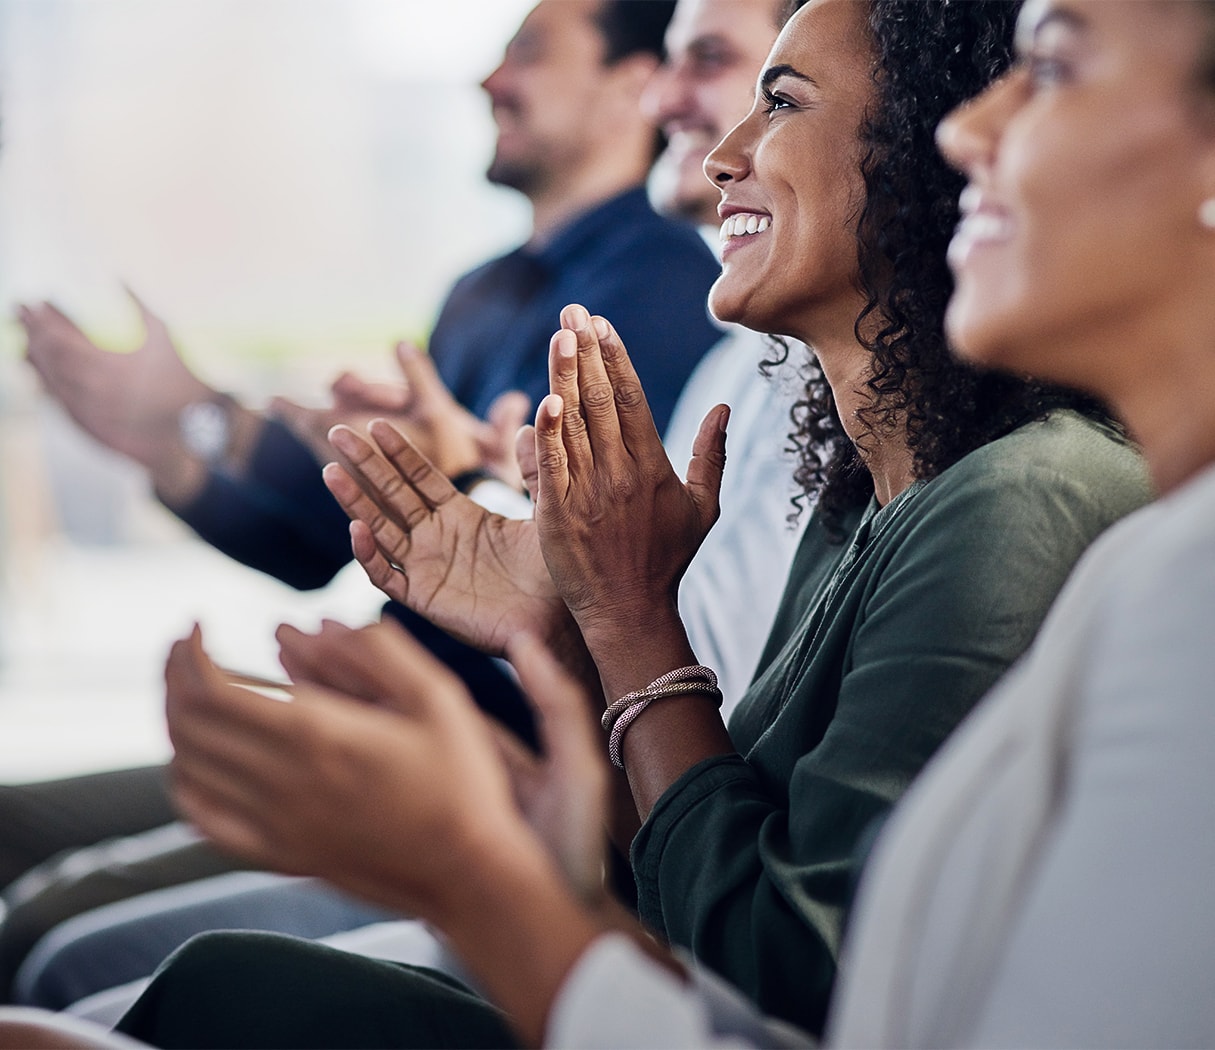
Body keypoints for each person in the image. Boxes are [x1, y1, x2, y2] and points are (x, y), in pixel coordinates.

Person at [100, 0, 1152, 1046]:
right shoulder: (868, 494)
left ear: (929, 147)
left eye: (777, 103)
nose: (726, 153)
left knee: (214, 986)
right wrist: (564, 631)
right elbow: (685, 886)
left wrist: (624, 620)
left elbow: (787, 977)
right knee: (215, 981)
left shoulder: (1018, 496)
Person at [3, 0, 807, 1017]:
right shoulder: (492, 291)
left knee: (63, 943)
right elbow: (316, 526)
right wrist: (179, 434)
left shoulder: (667, 300)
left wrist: (471, 484)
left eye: (529, 51)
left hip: (502, 773)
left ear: (626, 82)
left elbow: (606, 570)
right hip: (435, 748)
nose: (490, 81)